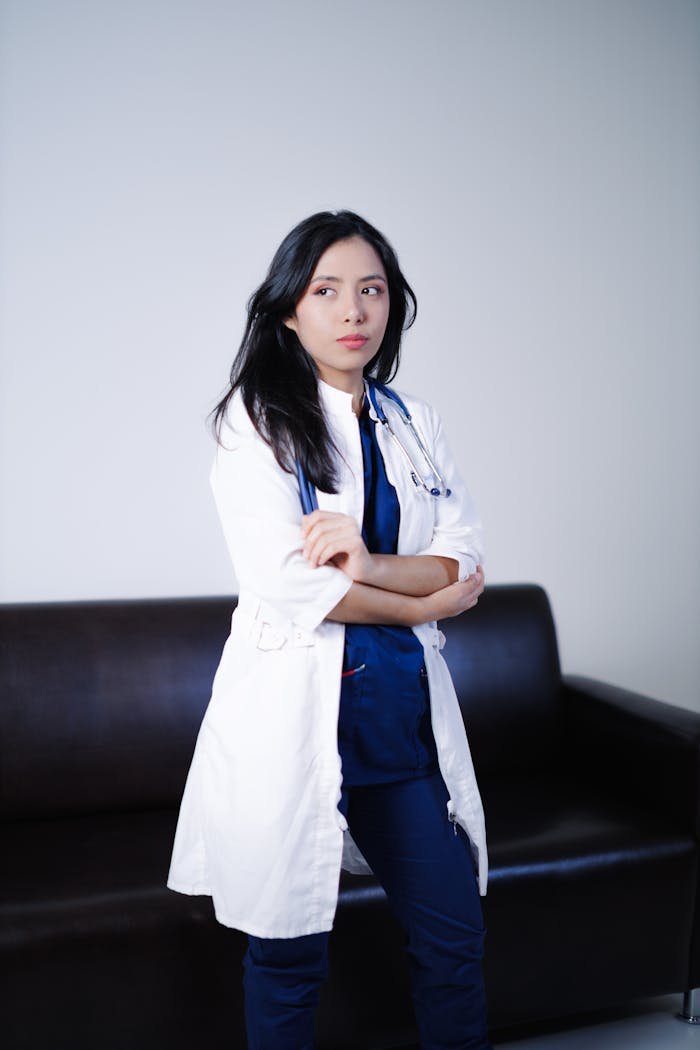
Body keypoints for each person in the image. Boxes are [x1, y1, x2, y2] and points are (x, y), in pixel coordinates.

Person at [167, 209, 493, 1050]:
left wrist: (373, 566)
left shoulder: (415, 423)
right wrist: (421, 603)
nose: (354, 311)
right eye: (327, 291)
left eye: (372, 290)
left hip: (395, 731)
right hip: (294, 735)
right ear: (289, 310)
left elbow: (462, 559)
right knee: (287, 959)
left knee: (454, 940)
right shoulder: (255, 423)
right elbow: (290, 590)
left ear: (392, 306)